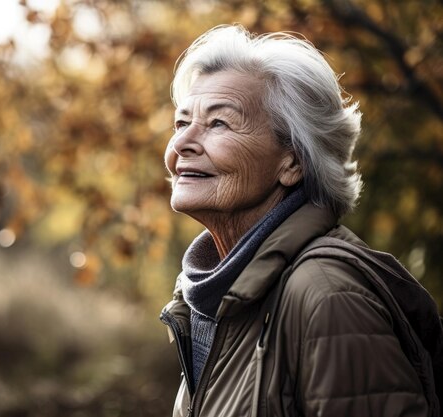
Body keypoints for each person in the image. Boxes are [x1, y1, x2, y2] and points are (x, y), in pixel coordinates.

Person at [160, 24, 441, 417]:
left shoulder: (326, 294)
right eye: (180, 123)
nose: (182, 144)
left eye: (218, 123)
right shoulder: (213, 295)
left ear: (291, 161)